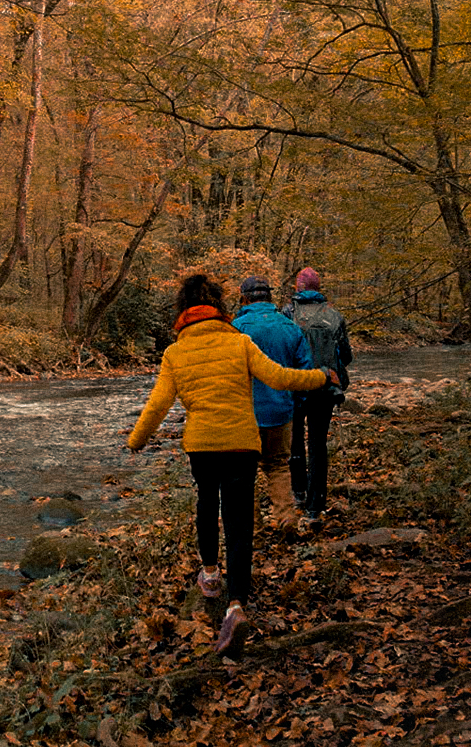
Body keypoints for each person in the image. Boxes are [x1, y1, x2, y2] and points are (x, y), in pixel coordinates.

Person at [126, 273, 337, 656]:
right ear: (219, 308)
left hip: (202, 445)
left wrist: (137, 440)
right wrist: (321, 376)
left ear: (183, 312)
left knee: (207, 503)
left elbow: (158, 404)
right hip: (242, 442)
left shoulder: (175, 353)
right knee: (239, 523)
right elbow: (280, 377)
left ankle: (209, 575)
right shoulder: (239, 343)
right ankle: (236, 604)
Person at [229, 275, 311, 532]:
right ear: (270, 297)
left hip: (246, 414)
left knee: (244, 472)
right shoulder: (290, 326)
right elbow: (304, 370)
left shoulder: (237, 328)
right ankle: (286, 517)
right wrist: (295, 404)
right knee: (277, 466)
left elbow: (228, 373)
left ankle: (251, 527)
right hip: (280, 410)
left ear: (244, 298)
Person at [285, 267, 353, 531]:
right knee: (317, 445)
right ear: (318, 287)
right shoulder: (334, 316)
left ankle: (298, 493)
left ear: (298, 288)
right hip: (325, 388)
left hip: (294, 385)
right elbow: (345, 356)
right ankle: (316, 506)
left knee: (294, 443)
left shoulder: (288, 314)